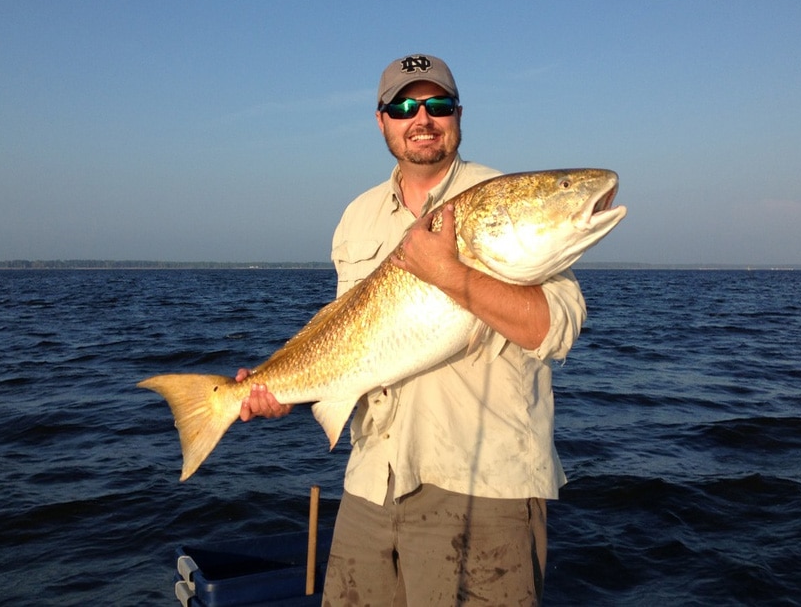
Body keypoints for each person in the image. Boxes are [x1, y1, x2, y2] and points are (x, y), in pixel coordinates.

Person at [238, 54, 586, 605]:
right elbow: (346, 340)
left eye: (436, 104)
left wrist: (449, 273)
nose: (420, 118)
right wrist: (281, 390)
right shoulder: (358, 216)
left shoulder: (499, 199)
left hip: (483, 487)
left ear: (458, 115)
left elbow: (557, 328)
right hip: (370, 484)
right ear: (382, 121)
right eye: (403, 106)